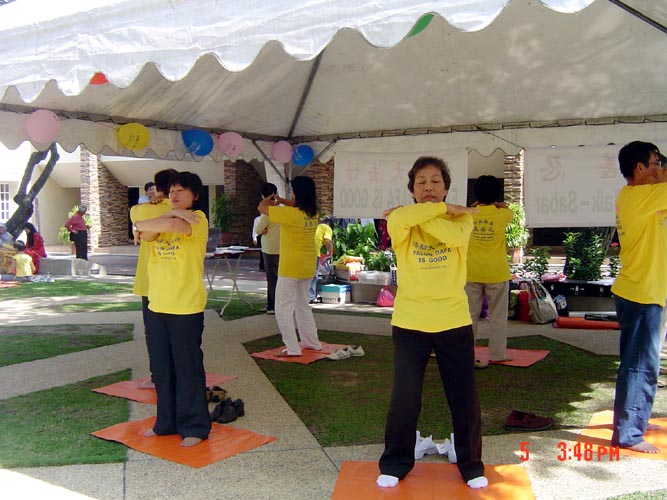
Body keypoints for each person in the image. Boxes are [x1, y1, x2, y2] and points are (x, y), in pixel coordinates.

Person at [377, 156, 487, 490]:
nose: (428, 187)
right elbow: (400, 222)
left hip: (453, 320)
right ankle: (395, 462)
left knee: (464, 397)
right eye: (421, 182)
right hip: (410, 322)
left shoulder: (461, 222)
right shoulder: (403, 220)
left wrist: (423, 214)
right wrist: (442, 208)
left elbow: (449, 235)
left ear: (446, 187)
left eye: (436, 181)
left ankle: (471, 464)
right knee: (404, 397)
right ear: (412, 189)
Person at [135, 171, 211, 447]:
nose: (175, 195)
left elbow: (164, 227)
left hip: (186, 307)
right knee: (162, 369)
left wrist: (166, 218)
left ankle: (194, 426)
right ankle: (165, 422)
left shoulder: (198, 219)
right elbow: (141, 228)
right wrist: (168, 215)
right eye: (171, 191)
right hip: (157, 304)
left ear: (195, 195)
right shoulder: (169, 216)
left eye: (181, 191)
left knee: (187, 368)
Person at [610, 141, 667, 454]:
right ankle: (629, 433)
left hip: (640, 291)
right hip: (641, 294)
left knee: (638, 362)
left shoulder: (638, 195)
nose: (659, 169)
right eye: (655, 163)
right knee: (641, 365)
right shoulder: (641, 196)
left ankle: (634, 420)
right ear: (640, 168)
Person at [258, 176, 322, 356]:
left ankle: (293, 348)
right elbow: (296, 205)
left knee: (282, 309)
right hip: (307, 265)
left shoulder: (290, 214)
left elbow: (261, 208)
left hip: (290, 267)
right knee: (303, 306)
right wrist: (279, 200)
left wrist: (269, 199)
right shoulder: (313, 212)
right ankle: (312, 343)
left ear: (296, 193)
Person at [130, 169, 177, 389]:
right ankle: (178, 372)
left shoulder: (142, 210)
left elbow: (134, 214)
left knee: (155, 333)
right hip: (175, 281)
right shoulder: (181, 210)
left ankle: (158, 376)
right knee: (177, 331)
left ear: (157, 189)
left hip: (150, 282)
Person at [464, 175, 513, 368]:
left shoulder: (468, 215)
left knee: (469, 316)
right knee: (498, 317)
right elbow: (507, 209)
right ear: (497, 195)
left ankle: (466, 354)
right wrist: (498, 205)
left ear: (475, 195)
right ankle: (498, 355)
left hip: (471, 271)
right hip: (497, 272)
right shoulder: (504, 215)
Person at [255, 183, 281, 314]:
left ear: (262, 196)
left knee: (272, 278)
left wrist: (263, 230)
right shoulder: (283, 210)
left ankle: (273, 306)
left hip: (270, 248)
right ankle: (272, 305)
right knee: (279, 278)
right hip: (282, 248)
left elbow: (258, 229)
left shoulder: (268, 213)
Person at [309, 219, 334, 303]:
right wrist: (331, 254)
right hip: (314, 252)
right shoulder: (327, 228)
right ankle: (311, 296)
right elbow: (327, 241)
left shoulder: (317, 227)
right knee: (314, 275)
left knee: (306, 275)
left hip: (305, 251)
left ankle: (304, 296)